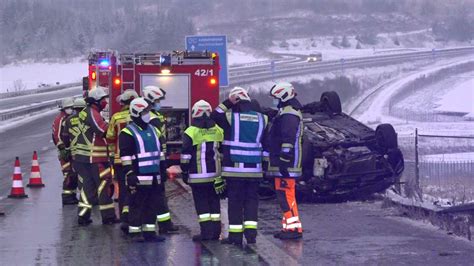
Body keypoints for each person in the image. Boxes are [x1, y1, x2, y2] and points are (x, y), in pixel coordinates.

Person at [211, 87, 268, 246]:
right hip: (254, 171)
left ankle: (235, 237)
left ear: (236, 102)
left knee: (235, 203)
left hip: (234, 170)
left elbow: (214, 115)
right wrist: (264, 165)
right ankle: (251, 236)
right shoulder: (263, 119)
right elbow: (267, 145)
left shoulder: (230, 118)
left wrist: (227, 102)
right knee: (251, 202)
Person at [119, 98, 167, 242]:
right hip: (138, 177)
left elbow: (161, 152)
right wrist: (129, 173)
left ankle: (149, 232)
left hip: (154, 176)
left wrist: (163, 169)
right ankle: (135, 233)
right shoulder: (127, 132)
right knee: (136, 205)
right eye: (145, 111)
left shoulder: (154, 130)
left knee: (151, 206)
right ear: (137, 112)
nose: (148, 114)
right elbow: (125, 155)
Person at [181, 100, 224, 242]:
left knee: (202, 205)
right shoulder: (218, 129)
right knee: (214, 203)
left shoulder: (191, 131)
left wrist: (184, 171)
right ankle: (216, 232)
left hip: (197, 175)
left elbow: (186, 155)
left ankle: (206, 233)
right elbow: (222, 150)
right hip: (215, 175)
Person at [74, 86, 118, 226]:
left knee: (87, 188)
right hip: (96, 158)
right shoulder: (92, 112)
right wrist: (114, 126)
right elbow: (102, 130)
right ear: (96, 101)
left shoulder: (86, 112)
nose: (105, 102)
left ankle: (83, 217)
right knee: (103, 185)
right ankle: (108, 217)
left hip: (85, 158)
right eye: (103, 99)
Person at [268, 82, 304, 240]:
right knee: (284, 195)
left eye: (276, 98)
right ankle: (289, 228)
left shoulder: (289, 115)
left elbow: (287, 140)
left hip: (287, 164)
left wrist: (283, 160)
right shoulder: (287, 112)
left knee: (286, 195)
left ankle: (294, 230)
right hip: (285, 163)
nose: (274, 101)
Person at [142, 85, 179, 234]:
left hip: (146, 162)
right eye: (157, 100)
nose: (159, 103)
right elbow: (159, 142)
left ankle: (153, 224)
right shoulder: (153, 118)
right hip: (155, 162)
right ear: (151, 100)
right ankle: (164, 225)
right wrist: (163, 163)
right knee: (158, 195)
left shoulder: (145, 116)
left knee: (150, 195)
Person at [106, 89, 138, 232]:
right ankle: (136, 215)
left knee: (123, 189)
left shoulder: (117, 117)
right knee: (137, 188)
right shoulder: (140, 116)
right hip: (137, 160)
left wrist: (113, 153)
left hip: (120, 160)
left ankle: (125, 217)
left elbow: (110, 137)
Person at [59, 97, 86, 205]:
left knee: (72, 174)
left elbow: (64, 137)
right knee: (84, 176)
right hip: (86, 153)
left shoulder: (68, 120)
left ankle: (70, 196)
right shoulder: (88, 117)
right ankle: (85, 197)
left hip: (73, 153)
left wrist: (67, 148)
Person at [52, 97, 77, 205]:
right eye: (68, 108)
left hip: (70, 150)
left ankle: (72, 195)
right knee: (68, 174)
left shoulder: (69, 117)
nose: (71, 109)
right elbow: (57, 136)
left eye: (72, 107)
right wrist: (62, 149)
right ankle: (67, 197)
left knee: (73, 174)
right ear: (64, 108)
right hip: (64, 151)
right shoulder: (60, 119)